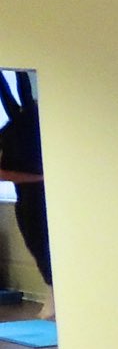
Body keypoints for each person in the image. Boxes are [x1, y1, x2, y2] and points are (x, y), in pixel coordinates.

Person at [0, 72, 52, 318]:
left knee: (46, 251)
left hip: (41, 199)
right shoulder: (15, 130)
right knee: (42, 251)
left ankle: (54, 297)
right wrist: (42, 179)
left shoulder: (36, 124)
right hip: (31, 200)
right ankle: (53, 296)